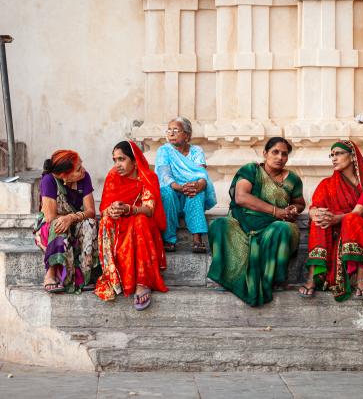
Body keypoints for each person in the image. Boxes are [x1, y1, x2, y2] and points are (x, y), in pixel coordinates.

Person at [207, 137, 306, 307]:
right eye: (275, 152)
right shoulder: (251, 170)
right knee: (219, 225)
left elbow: (300, 203)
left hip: (272, 228)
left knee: (283, 229)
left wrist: (294, 209)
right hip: (242, 224)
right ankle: (229, 276)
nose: (280, 157)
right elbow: (241, 197)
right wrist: (276, 211)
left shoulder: (293, 179)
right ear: (265, 153)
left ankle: (271, 279)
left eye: (284, 154)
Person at [299, 140, 363, 302]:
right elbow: (313, 208)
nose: (334, 158)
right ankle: (313, 275)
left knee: (352, 219)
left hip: (359, 227)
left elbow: (359, 211)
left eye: (338, 153)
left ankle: (360, 275)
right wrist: (316, 213)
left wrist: (336, 218)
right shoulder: (327, 184)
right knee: (319, 221)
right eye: (332, 155)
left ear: (352, 157)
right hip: (333, 228)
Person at [95, 140, 168, 310]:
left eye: (122, 159)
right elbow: (104, 208)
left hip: (140, 221)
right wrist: (110, 211)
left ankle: (142, 282)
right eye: (115, 160)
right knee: (106, 220)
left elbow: (149, 210)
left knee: (140, 220)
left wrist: (130, 209)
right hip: (121, 222)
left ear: (134, 161)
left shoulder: (148, 177)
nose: (117, 164)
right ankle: (114, 276)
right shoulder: (112, 177)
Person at [34, 150, 98, 294]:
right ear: (65, 176)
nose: (83, 170)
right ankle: (50, 273)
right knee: (59, 226)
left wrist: (71, 218)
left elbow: (90, 211)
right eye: (78, 169)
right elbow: (50, 217)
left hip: (75, 221)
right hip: (50, 226)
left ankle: (85, 275)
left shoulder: (84, 177)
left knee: (91, 223)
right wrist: (66, 220)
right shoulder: (49, 181)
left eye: (81, 165)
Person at [155, 117, 217, 253]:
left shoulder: (196, 151)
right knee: (166, 192)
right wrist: (180, 187)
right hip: (174, 191)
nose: (171, 134)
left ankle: (197, 239)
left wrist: (199, 185)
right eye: (169, 130)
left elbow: (201, 174)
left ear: (187, 135)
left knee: (197, 191)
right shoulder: (164, 151)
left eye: (176, 130)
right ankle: (168, 239)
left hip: (189, 191)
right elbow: (164, 176)